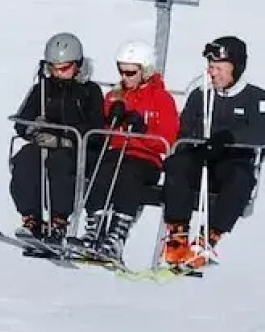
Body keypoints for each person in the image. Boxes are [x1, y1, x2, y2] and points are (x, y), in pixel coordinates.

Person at [161, 36, 265, 268]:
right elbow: (185, 129)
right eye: (210, 67)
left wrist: (229, 138)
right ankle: (177, 235)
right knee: (177, 165)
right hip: (201, 159)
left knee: (240, 178)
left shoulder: (256, 98)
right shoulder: (201, 94)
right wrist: (196, 143)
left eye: (219, 68)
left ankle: (208, 238)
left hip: (232, 163)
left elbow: (260, 132)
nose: (213, 73)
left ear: (236, 68)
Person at [78, 41, 180, 260]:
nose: (125, 77)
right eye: (121, 71)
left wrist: (143, 130)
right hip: (116, 152)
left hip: (146, 158)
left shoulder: (162, 99)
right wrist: (110, 121)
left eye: (131, 73)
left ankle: (117, 235)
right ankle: (94, 230)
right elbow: (101, 134)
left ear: (146, 71)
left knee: (129, 175)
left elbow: (168, 139)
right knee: (102, 171)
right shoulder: (114, 96)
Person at [10, 32, 105, 241]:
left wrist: (64, 137)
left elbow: (96, 129)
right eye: (54, 68)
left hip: (77, 149)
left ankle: (58, 220)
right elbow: (21, 122)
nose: (59, 73)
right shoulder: (43, 89)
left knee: (61, 162)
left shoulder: (89, 92)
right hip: (45, 145)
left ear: (78, 65)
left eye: (64, 68)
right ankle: (32, 218)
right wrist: (34, 127)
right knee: (26, 159)